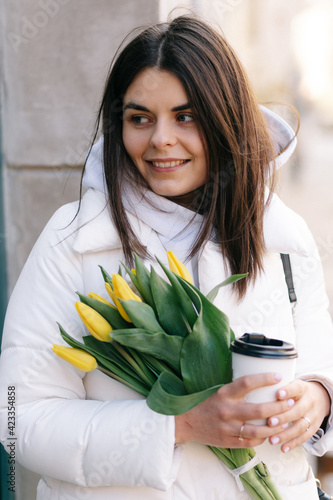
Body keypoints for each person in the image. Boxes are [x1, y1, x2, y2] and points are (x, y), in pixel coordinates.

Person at [0, 14, 333, 500]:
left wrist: (319, 396)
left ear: (225, 117)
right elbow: (17, 417)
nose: (160, 139)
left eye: (186, 116)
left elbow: (318, 351)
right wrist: (178, 425)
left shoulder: (280, 233)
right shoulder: (73, 241)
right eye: (140, 118)